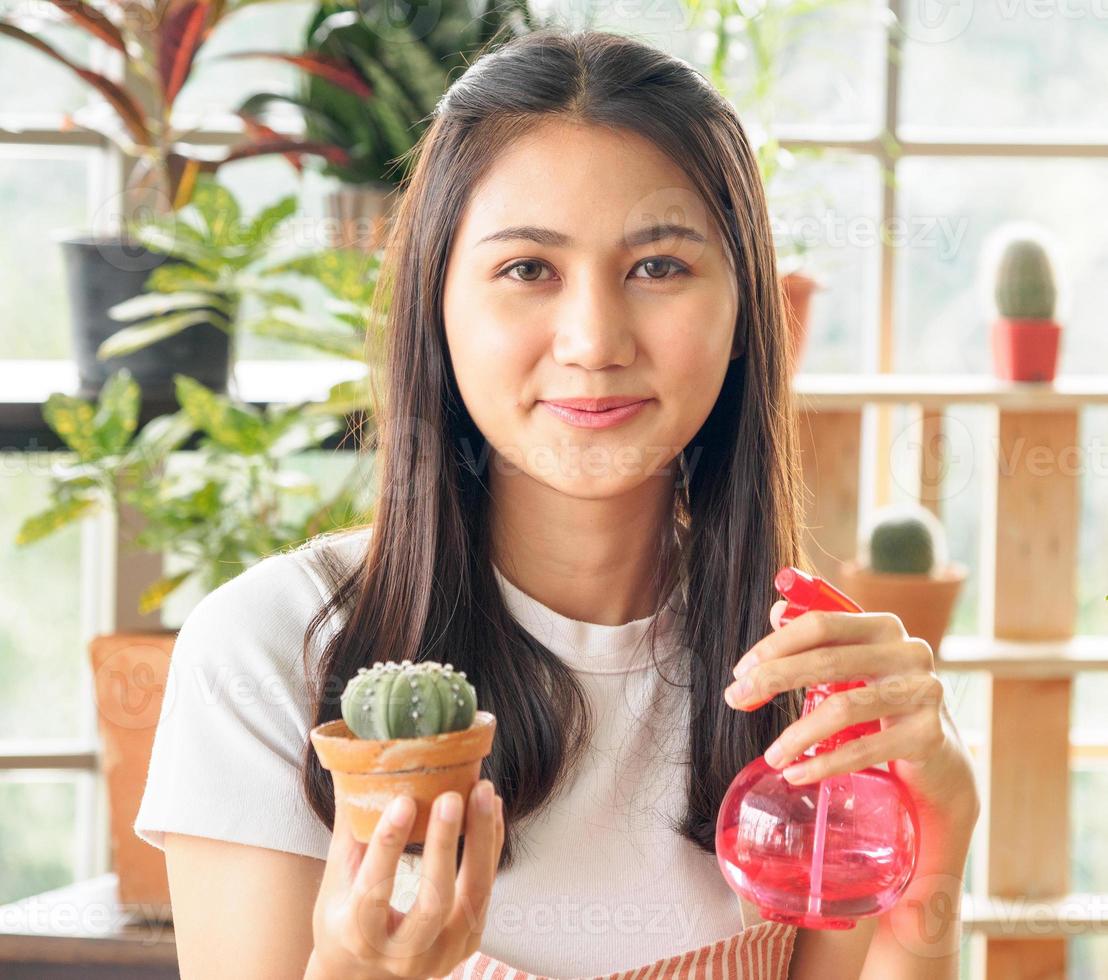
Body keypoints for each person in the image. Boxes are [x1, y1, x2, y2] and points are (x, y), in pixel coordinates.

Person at [134, 26, 980, 980]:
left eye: (658, 267)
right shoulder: (268, 652)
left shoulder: (805, 679)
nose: (593, 339)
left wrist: (933, 868)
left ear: (748, 310)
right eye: (527, 269)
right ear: (436, 304)